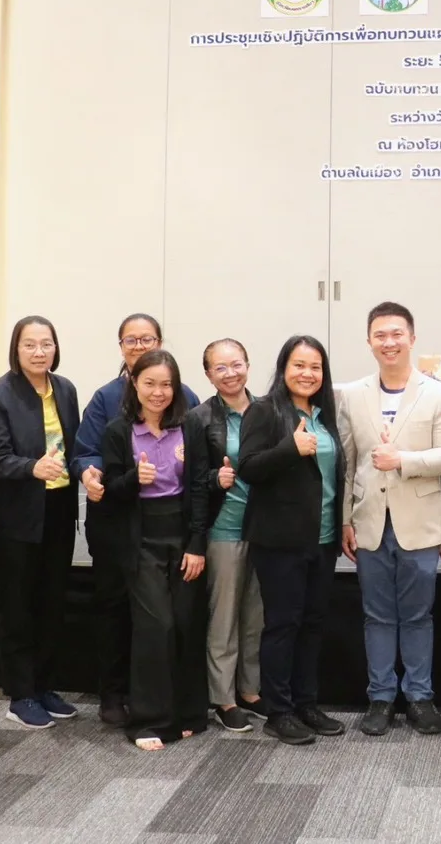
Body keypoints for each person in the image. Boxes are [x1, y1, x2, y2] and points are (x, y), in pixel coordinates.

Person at [337, 302, 441, 736]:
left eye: (396, 334)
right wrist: (345, 519)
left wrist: (402, 460)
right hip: (369, 522)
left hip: (420, 523)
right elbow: (348, 462)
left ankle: (420, 698)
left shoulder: (438, 394)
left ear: (411, 338)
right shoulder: (352, 394)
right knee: (376, 616)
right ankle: (381, 698)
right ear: (369, 341)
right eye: (380, 335)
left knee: (417, 615)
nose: (389, 342)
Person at [73, 314, 200, 726]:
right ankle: (113, 694)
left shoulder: (185, 398)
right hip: (119, 526)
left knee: (169, 619)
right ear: (121, 347)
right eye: (132, 340)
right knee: (115, 609)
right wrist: (91, 475)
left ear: (160, 343)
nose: (140, 346)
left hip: (171, 529)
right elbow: (87, 452)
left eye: (148, 339)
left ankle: (170, 703)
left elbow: (199, 462)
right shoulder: (105, 400)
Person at [236, 335, 348, 746]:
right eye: (299, 365)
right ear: (284, 368)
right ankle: (279, 710)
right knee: (283, 625)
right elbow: (248, 468)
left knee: (313, 624)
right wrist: (290, 448)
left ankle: (306, 704)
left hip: (322, 538)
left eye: (315, 367)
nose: (307, 373)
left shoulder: (324, 414)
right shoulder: (265, 411)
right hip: (280, 540)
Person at [98, 350, 211, 750]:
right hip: (141, 538)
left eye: (166, 384)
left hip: (182, 536)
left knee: (184, 622)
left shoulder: (190, 427)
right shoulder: (118, 430)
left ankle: (188, 714)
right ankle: (148, 720)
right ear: (134, 384)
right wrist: (135, 478)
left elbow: (199, 487)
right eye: (149, 383)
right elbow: (109, 490)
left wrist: (197, 544)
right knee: (155, 626)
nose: (158, 392)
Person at [0, 315, 82, 730]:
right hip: (17, 515)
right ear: (16, 349)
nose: (39, 352)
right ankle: (20, 694)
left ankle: (45, 685)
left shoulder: (65, 389)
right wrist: (32, 467)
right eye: (30, 345)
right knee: (18, 605)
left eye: (46, 344)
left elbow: (74, 448)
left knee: (52, 602)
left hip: (58, 509)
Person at [189, 338, 266, 731]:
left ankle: (251, 690)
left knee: (255, 616)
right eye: (220, 367)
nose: (230, 373)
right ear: (208, 375)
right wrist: (213, 479)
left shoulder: (268, 411)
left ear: (248, 365)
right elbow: (190, 479)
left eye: (236, 364)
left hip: (265, 530)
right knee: (224, 620)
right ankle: (223, 697)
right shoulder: (199, 418)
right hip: (224, 529)